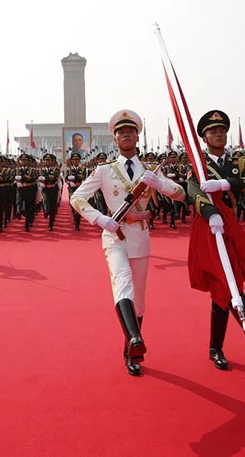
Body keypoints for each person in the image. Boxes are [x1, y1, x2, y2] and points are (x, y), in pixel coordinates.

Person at [70, 109, 186, 376]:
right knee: (122, 283)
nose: (126, 135)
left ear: (137, 137)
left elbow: (179, 194)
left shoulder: (149, 170)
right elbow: (77, 198)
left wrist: (159, 183)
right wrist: (101, 219)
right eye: (121, 132)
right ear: (115, 139)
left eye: (130, 132)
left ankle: (130, 348)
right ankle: (136, 338)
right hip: (114, 235)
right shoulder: (104, 170)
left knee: (140, 300)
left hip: (140, 238)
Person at [186, 109, 245, 370]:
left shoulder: (239, 161)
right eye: (213, 131)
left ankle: (216, 348)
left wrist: (225, 184)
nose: (219, 134)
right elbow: (193, 188)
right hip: (209, 226)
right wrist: (210, 211)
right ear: (204, 138)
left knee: (223, 288)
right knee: (229, 280)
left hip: (232, 224)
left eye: (222, 131)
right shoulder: (199, 164)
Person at [66, 152, 87, 230]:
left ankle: (77, 223)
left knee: (78, 206)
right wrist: (69, 182)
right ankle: (75, 218)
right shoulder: (69, 169)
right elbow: (66, 179)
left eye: (77, 159)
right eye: (74, 159)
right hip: (71, 189)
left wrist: (78, 181)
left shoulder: (83, 169)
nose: (75, 161)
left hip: (80, 189)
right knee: (72, 205)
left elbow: (83, 177)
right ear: (72, 160)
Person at [39, 153, 60, 231]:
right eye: (46, 160)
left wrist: (44, 178)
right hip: (45, 189)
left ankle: (51, 225)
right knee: (45, 200)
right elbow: (39, 178)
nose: (47, 161)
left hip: (53, 189)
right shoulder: (41, 169)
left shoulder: (56, 169)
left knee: (53, 207)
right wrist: (43, 180)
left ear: (52, 161)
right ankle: (45, 211)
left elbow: (52, 178)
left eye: (49, 160)